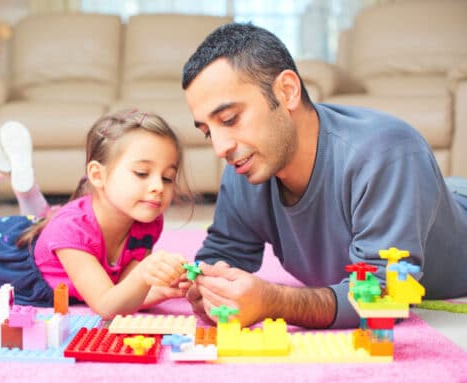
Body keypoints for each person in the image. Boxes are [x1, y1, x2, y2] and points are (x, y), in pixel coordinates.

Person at [181, 22, 467, 329]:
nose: (221, 147)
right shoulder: (245, 166)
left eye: (229, 119)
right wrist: (204, 284)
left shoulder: (387, 153)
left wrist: (273, 301)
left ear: (287, 91)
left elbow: (385, 295)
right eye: (209, 132)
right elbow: (223, 252)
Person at [0, 110, 191, 319]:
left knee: (51, 224)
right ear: (98, 175)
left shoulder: (147, 222)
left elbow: (124, 287)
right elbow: (107, 304)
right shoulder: (71, 232)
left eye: (168, 177)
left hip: (46, 235)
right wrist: (146, 273)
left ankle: (27, 190)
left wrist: (161, 287)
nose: (158, 186)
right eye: (142, 173)